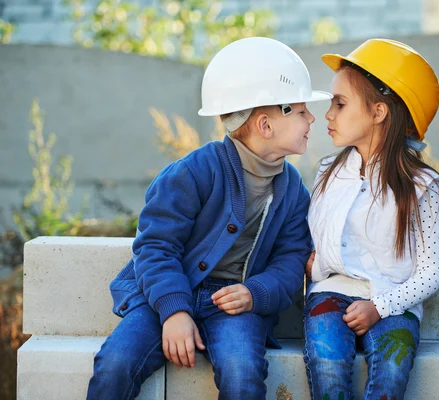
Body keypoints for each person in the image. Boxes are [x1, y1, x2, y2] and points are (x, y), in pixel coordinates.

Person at [86, 37, 332, 400]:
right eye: (298, 110)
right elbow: (156, 246)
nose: (311, 117)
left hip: (235, 305)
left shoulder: (294, 191)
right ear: (265, 125)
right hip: (168, 291)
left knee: (243, 373)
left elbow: (291, 261)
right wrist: (173, 311)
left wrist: (255, 293)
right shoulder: (192, 172)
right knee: (115, 362)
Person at [303, 38, 439, 399]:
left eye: (340, 104)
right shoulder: (328, 172)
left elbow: (432, 271)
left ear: (378, 112)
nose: (328, 114)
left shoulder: (423, 188)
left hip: (393, 300)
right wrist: (311, 262)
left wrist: (380, 307)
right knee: (326, 362)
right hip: (331, 291)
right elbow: (316, 235)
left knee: (391, 370)